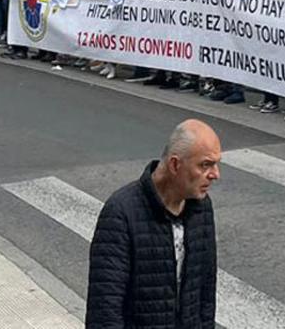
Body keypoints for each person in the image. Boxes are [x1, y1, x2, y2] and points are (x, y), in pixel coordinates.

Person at [87, 119, 220, 329]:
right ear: (175, 164)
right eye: (205, 165)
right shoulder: (121, 212)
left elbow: (205, 292)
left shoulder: (201, 208)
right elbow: (105, 309)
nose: (215, 174)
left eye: (215, 164)